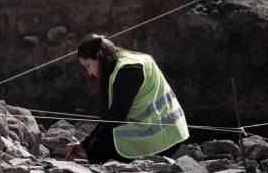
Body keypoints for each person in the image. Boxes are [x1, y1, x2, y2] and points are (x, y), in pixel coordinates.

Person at [65, 34, 188, 164]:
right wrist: (85, 143)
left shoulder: (128, 70)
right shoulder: (126, 61)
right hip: (173, 130)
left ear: (98, 57)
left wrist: (89, 145)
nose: (90, 73)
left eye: (88, 66)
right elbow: (111, 115)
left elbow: (116, 115)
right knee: (96, 145)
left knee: (97, 150)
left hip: (163, 136)